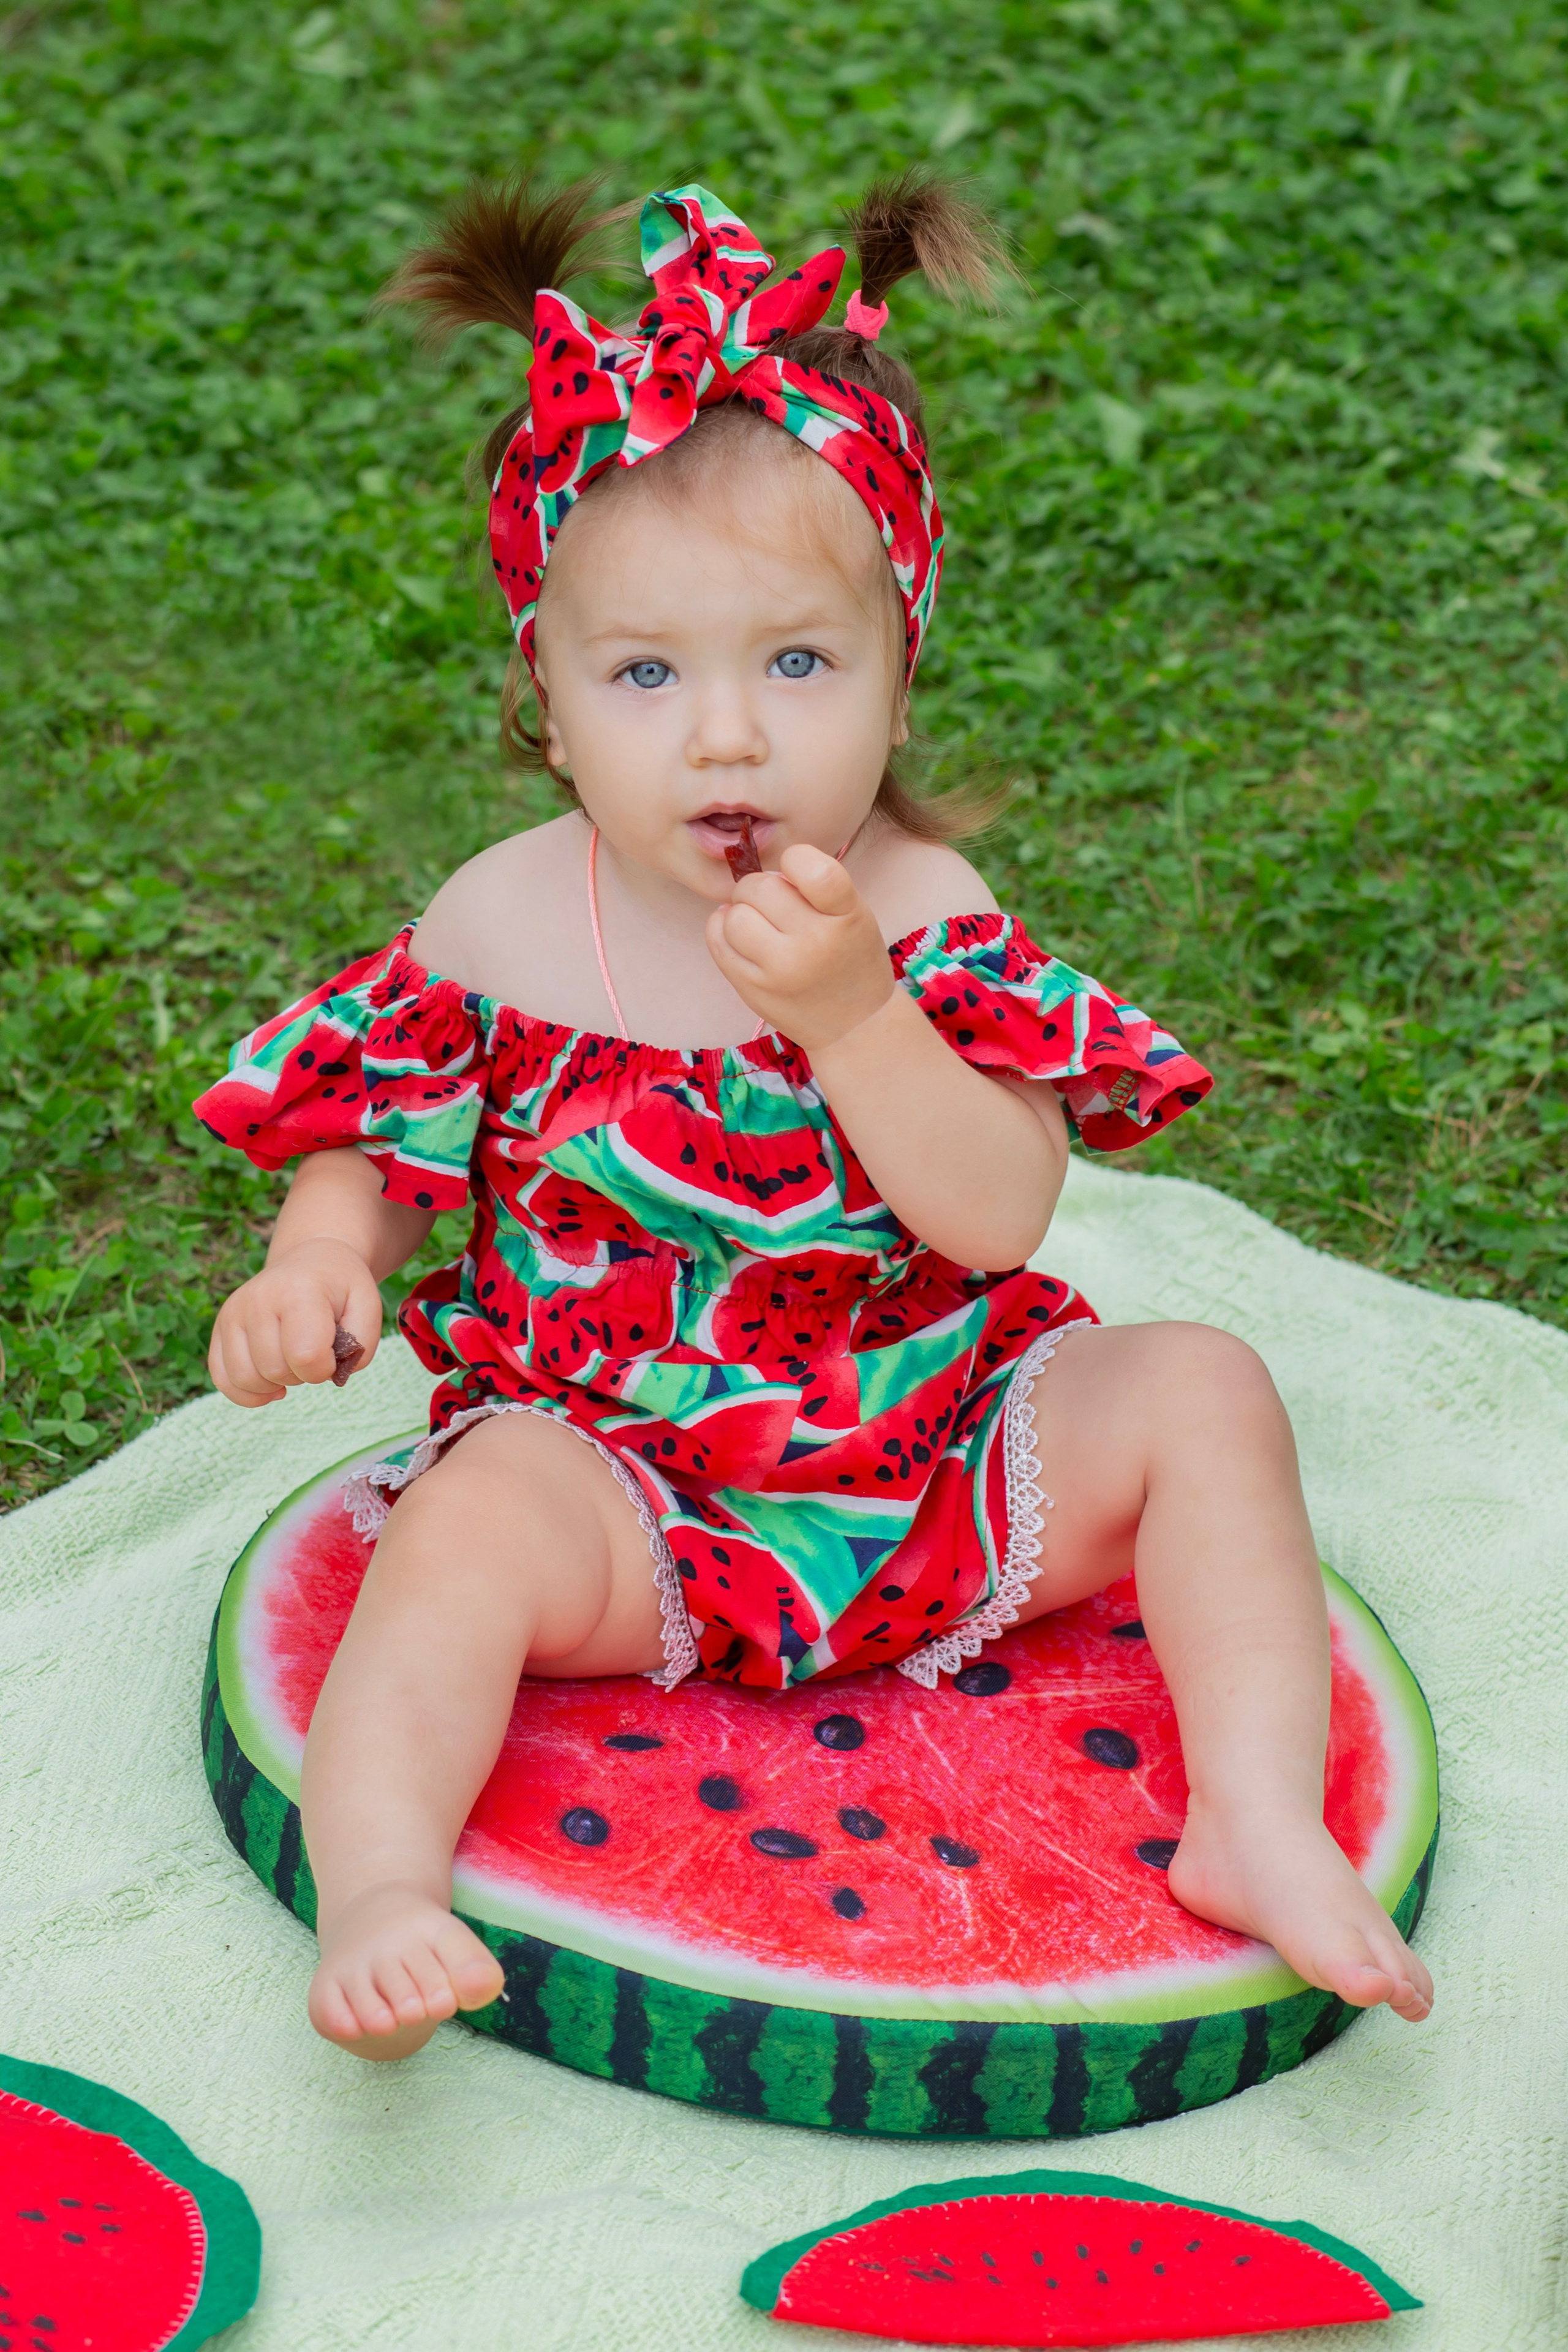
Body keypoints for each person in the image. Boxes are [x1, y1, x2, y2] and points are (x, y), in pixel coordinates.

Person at [195, 174, 1433, 2061]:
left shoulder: (925, 920)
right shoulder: (503, 921)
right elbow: (379, 1138)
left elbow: (1002, 1217)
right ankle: (380, 1878)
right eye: (644, 676)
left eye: (797, 664)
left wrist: (857, 1015)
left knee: (1205, 1391)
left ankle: (1256, 1818)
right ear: (545, 697)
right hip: (618, 1479)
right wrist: (317, 1255)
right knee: (456, 1533)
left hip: (939, 1456)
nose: (727, 739)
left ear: (896, 665)